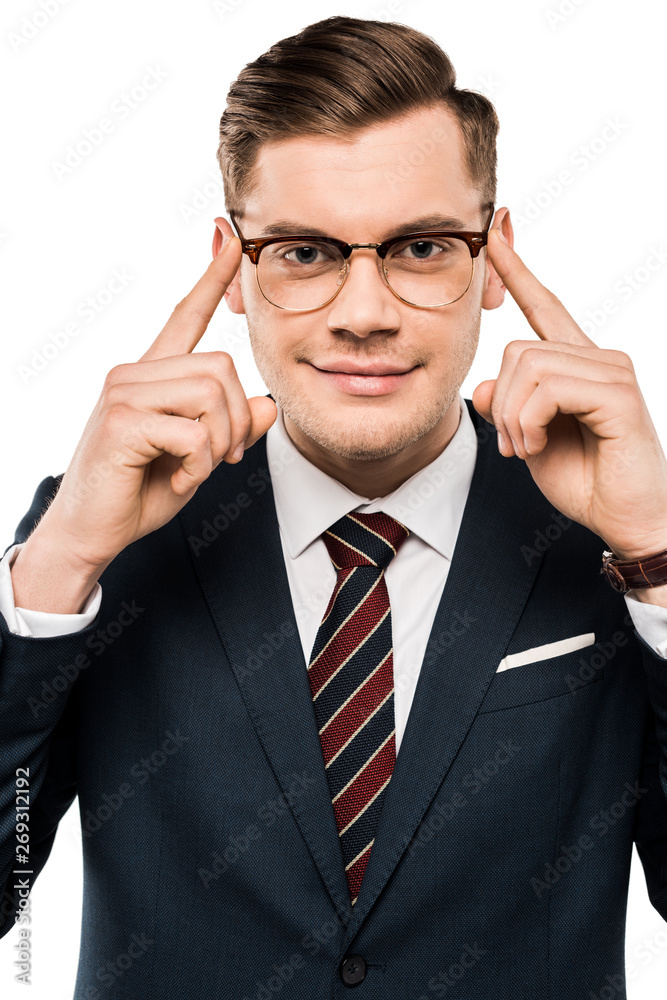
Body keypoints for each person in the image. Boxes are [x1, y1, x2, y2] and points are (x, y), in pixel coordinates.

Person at [2, 14, 667, 998]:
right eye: (306, 252)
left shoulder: (607, 532)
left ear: (493, 257)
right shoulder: (101, 532)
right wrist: (58, 566)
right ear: (233, 266)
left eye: (422, 246)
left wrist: (656, 553)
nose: (364, 312)